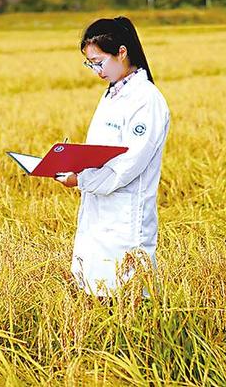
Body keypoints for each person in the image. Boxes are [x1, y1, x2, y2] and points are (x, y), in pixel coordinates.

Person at [54, 16, 171, 298]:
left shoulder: (146, 100)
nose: (96, 71)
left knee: (127, 297)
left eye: (99, 61)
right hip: (99, 210)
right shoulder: (112, 95)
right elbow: (102, 152)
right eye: (90, 64)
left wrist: (80, 179)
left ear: (122, 52)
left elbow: (128, 164)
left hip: (126, 216)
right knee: (96, 290)